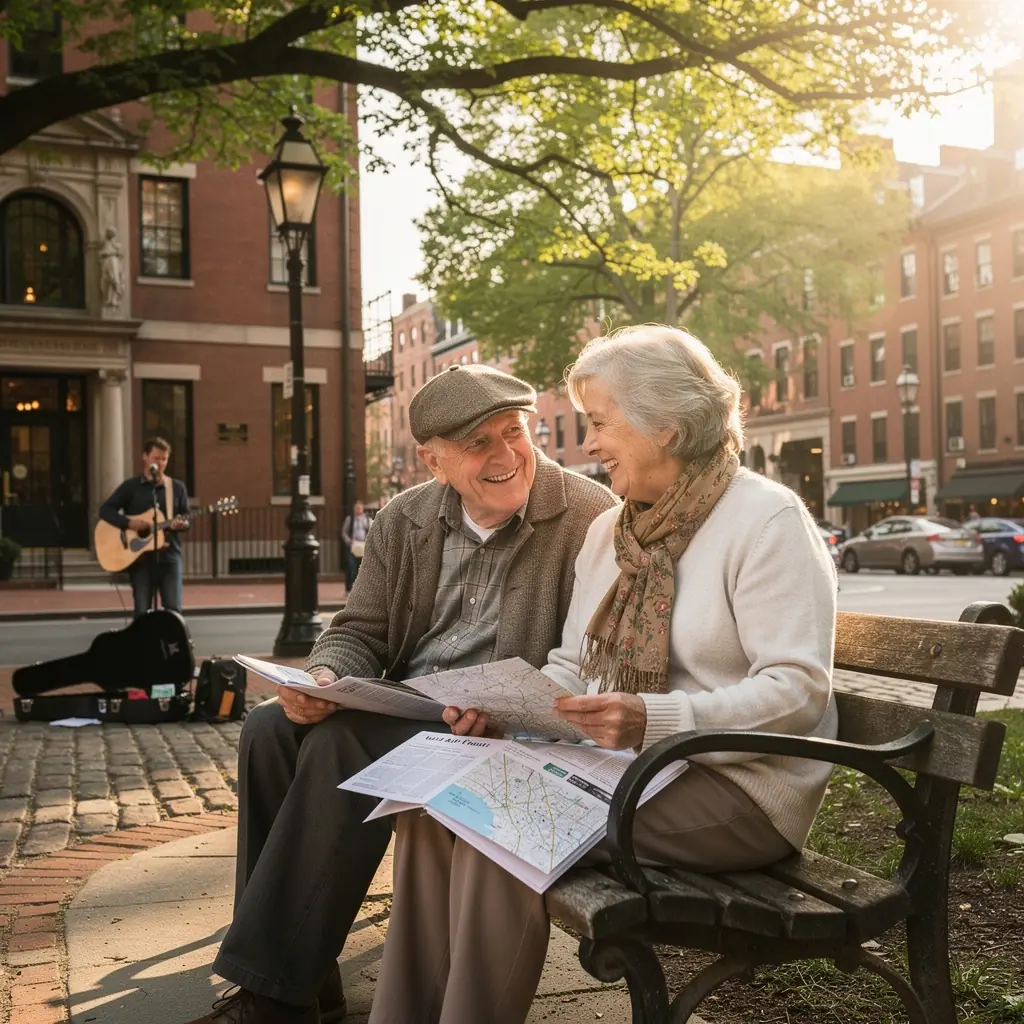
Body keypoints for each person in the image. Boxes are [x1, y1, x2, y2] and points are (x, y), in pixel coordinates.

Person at [369, 325, 839, 1024]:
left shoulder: (765, 519)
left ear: (667, 427)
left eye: (600, 422)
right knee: (440, 806)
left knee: (504, 825)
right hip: (626, 765)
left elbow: (799, 694)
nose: (588, 444)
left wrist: (655, 720)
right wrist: (509, 710)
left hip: (738, 789)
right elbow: (573, 666)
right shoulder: (612, 531)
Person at [189, 364, 617, 1024]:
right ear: (434, 460)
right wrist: (326, 678)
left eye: (516, 433)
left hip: (498, 733)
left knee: (340, 744)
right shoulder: (404, 518)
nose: (507, 456)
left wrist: (507, 710)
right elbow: (358, 630)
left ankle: (272, 996)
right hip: (405, 706)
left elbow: (590, 664)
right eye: (480, 444)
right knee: (271, 729)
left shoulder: (587, 517)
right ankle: (305, 971)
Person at [98, 437, 190, 618]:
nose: (161, 463)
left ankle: (172, 646)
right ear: (145, 457)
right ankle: (143, 646)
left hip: (169, 557)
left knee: (173, 610)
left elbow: (187, 520)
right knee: (142, 611)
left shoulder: (177, 488)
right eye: (156, 458)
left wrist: (182, 524)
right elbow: (105, 510)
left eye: (164, 459)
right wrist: (129, 523)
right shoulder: (131, 487)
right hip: (140, 559)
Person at [341, 499, 371, 590]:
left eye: (360, 508)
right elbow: (344, 532)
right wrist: (348, 541)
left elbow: (371, 531)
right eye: (356, 508)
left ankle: (362, 588)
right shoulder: (349, 519)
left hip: (363, 546)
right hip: (353, 545)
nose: (358, 509)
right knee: (351, 566)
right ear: (354, 509)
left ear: (362, 509)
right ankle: (349, 588)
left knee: (362, 568)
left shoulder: (367, 519)